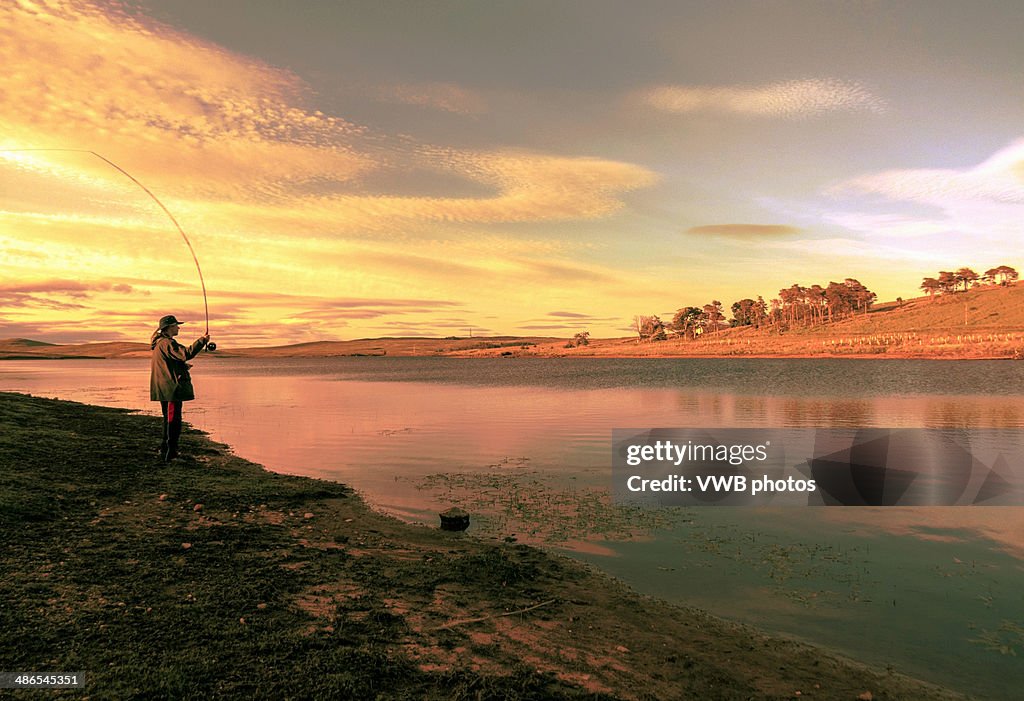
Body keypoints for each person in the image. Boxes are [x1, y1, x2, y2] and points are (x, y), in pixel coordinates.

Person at [150, 315, 210, 462]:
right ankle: (170, 454)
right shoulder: (166, 343)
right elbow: (186, 353)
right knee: (173, 421)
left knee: (169, 419)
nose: (178, 327)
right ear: (169, 327)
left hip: (165, 388)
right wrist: (202, 341)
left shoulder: (160, 343)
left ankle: (165, 449)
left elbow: (170, 363)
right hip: (170, 390)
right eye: (176, 325)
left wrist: (181, 367)